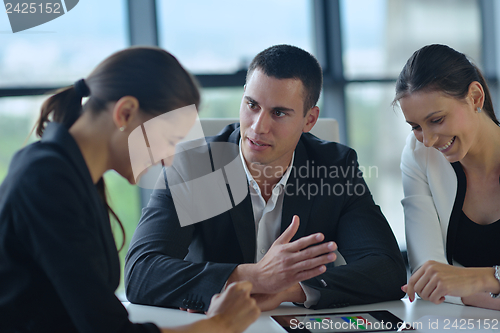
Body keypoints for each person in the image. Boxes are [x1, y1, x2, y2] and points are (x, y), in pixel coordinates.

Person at [125, 44, 406, 312]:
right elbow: (140, 273)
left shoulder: (335, 168)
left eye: (279, 113)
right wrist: (255, 277)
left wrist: (289, 289)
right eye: (252, 105)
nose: (258, 127)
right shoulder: (194, 167)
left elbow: (387, 269)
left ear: (309, 120)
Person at [0, 47, 260, 333]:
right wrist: (218, 325)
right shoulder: (47, 180)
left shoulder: (73, 175)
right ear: (125, 114)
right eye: (168, 139)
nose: (168, 158)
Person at [394, 44, 500, 310]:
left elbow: (446, 282)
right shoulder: (419, 153)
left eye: (437, 120)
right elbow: (429, 278)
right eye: (416, 127)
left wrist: (483, 278)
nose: (428, 140)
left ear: (475, 97)